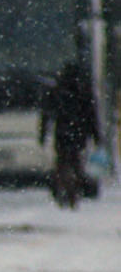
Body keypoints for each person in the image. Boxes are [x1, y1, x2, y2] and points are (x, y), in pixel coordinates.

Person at [39, 60, 99, 209]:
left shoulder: (57, 90)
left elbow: (47, 114)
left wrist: (43, 133)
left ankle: (64, 189)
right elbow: (92, 116)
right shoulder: (84, 91)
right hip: (79, 133)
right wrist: (96, 136)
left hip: (61, 133)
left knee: (62, 162)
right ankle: (74, 191)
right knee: (76, 161)